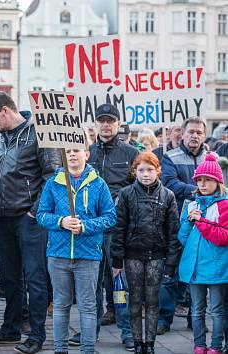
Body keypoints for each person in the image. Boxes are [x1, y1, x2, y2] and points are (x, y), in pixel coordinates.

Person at [0, 92, 60, 354]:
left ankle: (36, 334)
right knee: (10, 278)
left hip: (28, 218)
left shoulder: (39, 134)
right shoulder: (1, 138)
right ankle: (10, 328)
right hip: (2, 217)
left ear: (5, 110)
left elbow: (52, 177)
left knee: (35, 278)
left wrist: (34, 212)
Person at [37, 146, 116, 354]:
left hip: (88, 255)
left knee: (88, 307)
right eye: (68, 151)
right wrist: (61, 221)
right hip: (58, 254)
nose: (72, 154)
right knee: (61, 305)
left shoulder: (98, 184)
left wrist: (85, 226)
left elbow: (110, 217)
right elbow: (41, 214)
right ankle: (60, 349)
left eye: (77, 150)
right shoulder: (53, 183)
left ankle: (87, 350)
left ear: (86, 154)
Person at [110, 152, 181, 354]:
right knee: (133, 300)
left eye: (150, 169)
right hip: (132, 255)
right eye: (141, 170)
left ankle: (150, 344)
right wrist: (117, 259)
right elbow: (119, 228)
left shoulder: (168, 195)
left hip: (157, 256)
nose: (146, 174)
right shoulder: (125, 194)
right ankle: (137, 342)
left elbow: (173, 230)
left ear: (158, 170)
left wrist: (171, 262)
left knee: (152, 300)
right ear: (135, 172)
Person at [82, 103, 137, 350]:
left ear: (118, 124)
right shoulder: (87, 153)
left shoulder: (130, 153)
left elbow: (137, 191)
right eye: (101, 121)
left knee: (120, 284)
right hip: (91, 229)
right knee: (92, 283)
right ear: (96, 124)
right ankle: (89, 333)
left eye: (110, 121)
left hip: (118, 229)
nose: (106, 125)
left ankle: (127, 333)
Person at [158, 117, 208, 334]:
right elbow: (169, 183)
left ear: (203, 136)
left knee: (198, 273)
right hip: (176, 222)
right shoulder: (169, 156)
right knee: (170, 271)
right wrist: (196, 190)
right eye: (191, 132)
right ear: (182, 134)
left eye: (198, 132)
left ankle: (194, 319)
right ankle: (163, 319)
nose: (194, 136)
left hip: (204, 225)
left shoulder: (211, 158)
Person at [178, 154, 228, 354]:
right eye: (200, 180)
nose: (203, 184)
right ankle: (199, 345)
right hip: (194, 267)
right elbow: (183, 238)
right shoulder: (192, 205)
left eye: (208, 180)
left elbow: (223, 237)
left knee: (217, 310)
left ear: (218, 182)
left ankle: (216, 346)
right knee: (197, 310)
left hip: (217, 267)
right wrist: (189, 223)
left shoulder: (225, 205)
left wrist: (201, 222)